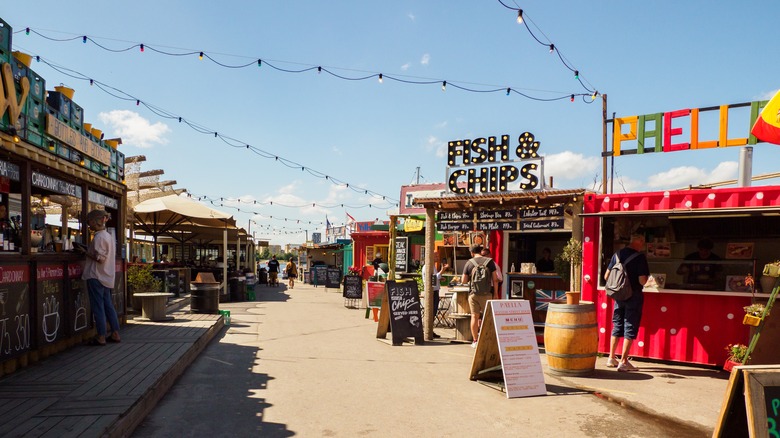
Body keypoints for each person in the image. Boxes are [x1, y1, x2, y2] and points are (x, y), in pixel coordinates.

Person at [604, 233, 649, 372]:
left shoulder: (617, 254)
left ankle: (611, 357)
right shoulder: (640, 257)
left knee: (617, 324)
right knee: (630, 325)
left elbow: (607, 276)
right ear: (640, 242)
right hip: (633, 295)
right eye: (643, 242)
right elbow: (642, 280)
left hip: (619, 296)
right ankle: (623, 361)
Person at [81, 209, 121, 346]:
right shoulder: (108, 236)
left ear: (96, 221)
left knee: (98, 307)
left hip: (96, 275)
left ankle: (101, 336)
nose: (89, 224)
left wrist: (86, 252)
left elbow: (100, 258)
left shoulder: (98, 237)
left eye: (90, 221)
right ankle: (115, 333)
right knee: (108, 305)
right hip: (106, 276)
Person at [461, 244, 500, 348]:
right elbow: (495, 279)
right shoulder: (489, 262)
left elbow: (463, 281)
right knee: (488, 317)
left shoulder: (469, 263)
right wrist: (496, 294)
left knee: (474, 316)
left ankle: (475, 340)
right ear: (481, 250)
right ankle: (488, 340)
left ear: (471, 252)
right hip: (487, 294)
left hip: (473, 294)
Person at [422, 261, 449, 338]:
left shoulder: (432, 266)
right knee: (432, 311)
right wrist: (442, 270)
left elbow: (434, 278)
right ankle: (428, 330)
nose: (437, 257)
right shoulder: (427, 267)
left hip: (435, 290)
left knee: (433, 311)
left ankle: (430, 329)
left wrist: (440, 278)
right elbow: (432, 279)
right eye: (435, 255)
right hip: (432, 291)